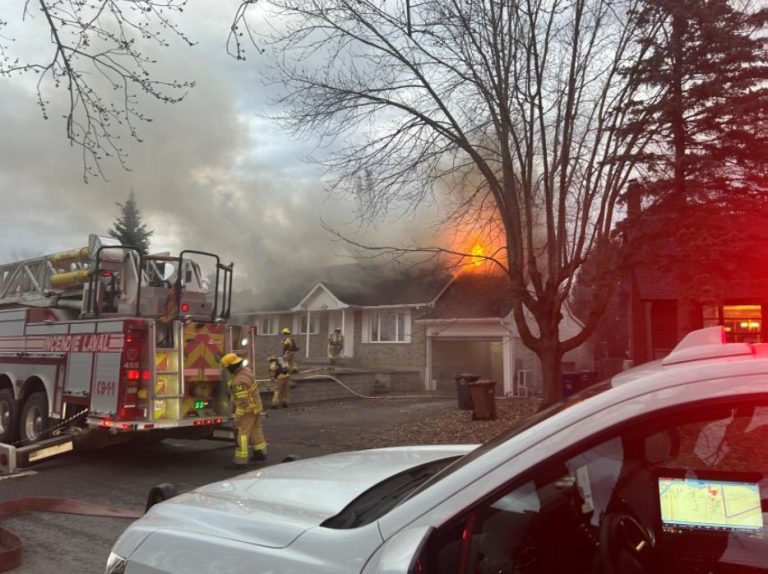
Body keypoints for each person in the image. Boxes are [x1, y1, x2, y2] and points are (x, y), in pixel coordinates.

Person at [220, 353, 267, 469]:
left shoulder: (239, 381)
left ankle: (240, 461)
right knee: (256, 430)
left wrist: (238, 415)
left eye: (227, 367)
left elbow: (243, 401)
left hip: (247, 410)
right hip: (255, 407)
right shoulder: (246, 371)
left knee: (242, 434)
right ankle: (260, 453)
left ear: (231, 366)